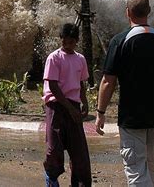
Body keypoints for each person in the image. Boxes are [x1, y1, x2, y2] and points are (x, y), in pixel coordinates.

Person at [95, 0, 154, 186]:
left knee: (135, 168)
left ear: (127, 13)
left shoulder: (120, 41)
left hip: (132, 117)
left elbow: (108, 81)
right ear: (149, 11)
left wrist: (100, 112)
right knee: (149, 163)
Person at [42, 23, 91, 187]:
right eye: (65, 41)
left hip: (74, 105)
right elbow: (53, 86)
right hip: (56, 105)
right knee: (54, 148)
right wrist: (69, 109)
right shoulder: (54, 58)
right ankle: (51, 176)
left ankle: (79, 183)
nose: (68, 45)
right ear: (61, 39)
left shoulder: (80, 59)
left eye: (71, 42)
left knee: (79, 152)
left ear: (76, 41)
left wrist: (84, 102)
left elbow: (80, 83)